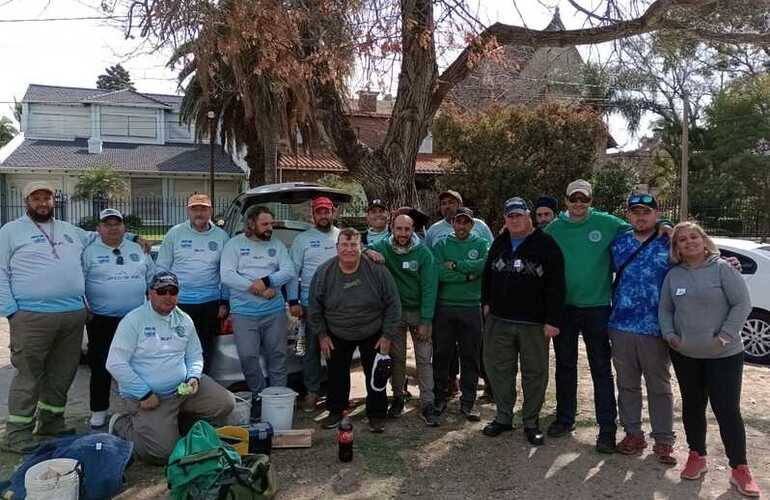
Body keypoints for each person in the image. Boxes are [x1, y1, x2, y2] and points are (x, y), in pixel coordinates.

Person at [659, 222, 759, 497]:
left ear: (704, 240)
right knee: (692, 406)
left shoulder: (722, 268)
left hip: (724, 355)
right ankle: (696, 455)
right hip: (686, 355)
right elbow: (665, 309)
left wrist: (725, 336)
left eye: (694, 237)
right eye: (682, 239)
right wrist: (670, 335)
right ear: (676, 247)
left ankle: (740, 468)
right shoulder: (674, 275)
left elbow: (742, 304)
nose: (689, 242)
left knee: (726, 410)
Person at [0, 182, 93, 452]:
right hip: (31, 316)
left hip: (72, 315)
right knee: (29, 376)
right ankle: (17, 433)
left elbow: (99, 236)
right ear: (26, 201)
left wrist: (133, 238)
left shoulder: (68, 230)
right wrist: (11, 311)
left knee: (62, 374)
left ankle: (51, 422)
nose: (42, 203)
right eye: (36, 198)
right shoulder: (10, 231)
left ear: (54, 200)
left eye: (47, 197)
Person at [106, 271, 235, 465]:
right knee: (163, 454)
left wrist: (193, 377)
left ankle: (173, 423)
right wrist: (143, 393)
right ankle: (122, 425)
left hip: (182, 390)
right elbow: (115, 363)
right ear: (150, 293)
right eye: (162, 291)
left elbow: (194, 355)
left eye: (173, 291)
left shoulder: (184, 319)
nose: (168, 296)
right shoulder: (133, 321)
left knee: (225, 403)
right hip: (150, 398)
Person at [543, 179, 630, 453]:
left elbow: (641, 228)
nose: (579, 203)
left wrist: (664, 226)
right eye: (574, 199)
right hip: (565, 309)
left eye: (585, 199)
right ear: (566, 200)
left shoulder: (607, 223)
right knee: (565, 366)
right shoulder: (554, 228)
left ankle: (607, 430)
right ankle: (565, 419)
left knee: (601, 369)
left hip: (597, 307)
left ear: (591, 200)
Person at [481, 197, 565, 445]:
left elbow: (556, 285)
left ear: (528, 217)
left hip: (534, 323)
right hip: (500, 319)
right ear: (505, 219)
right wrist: (486, 302)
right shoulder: (500, 242)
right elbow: (487, 273)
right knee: (499, 369)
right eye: (510, 216)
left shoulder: (546, 244)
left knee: (535, 372)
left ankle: (531, 421)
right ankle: (504, 417)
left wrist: (553, 320)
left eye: (519, 215)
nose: (515, 220)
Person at [308, 228, 401, 432]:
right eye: (344, 245)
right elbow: (314, 307)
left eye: (353, 245)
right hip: (337, 331)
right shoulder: (324, 272)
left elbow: (393, 303)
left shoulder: (377, 270)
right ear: (337, 247)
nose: (349, 249)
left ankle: (376, 414)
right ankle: (336, 411)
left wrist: (387, 335)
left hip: (372, 329)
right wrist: (322, 335)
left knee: (376, 374)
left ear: (361, 247)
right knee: (336, 374)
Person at [608, 194, 677, 463]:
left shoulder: (670, 242)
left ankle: (663, 438)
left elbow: (696, 260)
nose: (641, 217)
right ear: (628, 216)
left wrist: (726, 263)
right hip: (621, 324)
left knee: (659, 385)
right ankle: (633, 433)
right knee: (626, 384)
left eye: (646, 212)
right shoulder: (619, 243)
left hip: (656, 328)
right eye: (635, 212)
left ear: (657, 213)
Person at [220, 206, 296, 420]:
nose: (270, 228)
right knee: (248, 356)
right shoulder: (234, 245)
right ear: (251, 224)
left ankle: (278, 398)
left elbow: (288, 270)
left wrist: (267, 281)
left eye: (271, 224)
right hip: (244, 313)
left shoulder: (277, 244)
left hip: (273, 312)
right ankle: (259, 397)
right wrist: (255, 288)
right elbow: (226, 275)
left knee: (278, 356)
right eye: (265, 224)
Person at [82, 208, 155, 429]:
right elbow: (79, 284)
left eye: (117, 223)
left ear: (124, 227)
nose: (113, 228)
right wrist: (85, 309)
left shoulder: (138, 248)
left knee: (138, 363)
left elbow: (152, 279)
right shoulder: (89, 251)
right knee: (101, 365)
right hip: (101, 319)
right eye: (107, 224)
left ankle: (137, 405)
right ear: (99, 229)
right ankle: (99, 410)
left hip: (135, 318)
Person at [365, 215, 439, 426]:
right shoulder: (383, 246)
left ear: (413, 230)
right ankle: (398, 396)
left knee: (424, 358)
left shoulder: (423, 253)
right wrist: (368, 251)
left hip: (418, 312)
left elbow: (429, 288)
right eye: (399, 229)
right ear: (392, 229)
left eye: (407, 229)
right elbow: (359, 248)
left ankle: (428, 403)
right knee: (396, 358)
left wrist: (426, 319)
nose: (403, 234)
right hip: (395, 313)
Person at [156, 193, 230, 373]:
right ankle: (178, 384)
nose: (199, 213)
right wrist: (164, 297)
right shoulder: (175, 233)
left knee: (205, 347)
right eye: (195, 209)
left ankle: (201, 384)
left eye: (203, 209)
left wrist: (224, 301)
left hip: (210, 302)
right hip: (179, 302)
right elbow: (162, 267)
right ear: (188, 211)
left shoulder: (221, 236)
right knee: (177, 346)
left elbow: (226, 273)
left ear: (210, 211)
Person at [432, 207, 488, 421]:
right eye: (458, 222)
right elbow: (438, 271)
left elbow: (483, 266)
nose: (462, 226)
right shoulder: (442, 244)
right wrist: (466, 276)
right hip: (445, 306)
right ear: (453, 224)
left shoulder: (481, 244)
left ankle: (468, 402)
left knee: (470, 356)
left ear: (471, 224)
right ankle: (440, 397)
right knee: (442, 354)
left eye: (466, 222)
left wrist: (456, 265)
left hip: (471, 306)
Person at [288, 197, 340, 413]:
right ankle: (312, 391)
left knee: (338, 350)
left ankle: (337, 393)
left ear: (333, 212)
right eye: (319, 212)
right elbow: (293, 272)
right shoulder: (303, 240)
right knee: (311, 350)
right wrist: (293, 300)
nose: (323, 215)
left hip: (338, 305)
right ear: (313, 214)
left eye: (327, 211)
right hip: (311, 304)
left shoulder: (341, 236)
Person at [424, 190, 493, 248]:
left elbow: (492, 251)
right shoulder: (433, 230)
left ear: (460, 205)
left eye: (451, 202)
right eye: (443, 203)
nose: (447, 206)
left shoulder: (480, 225)